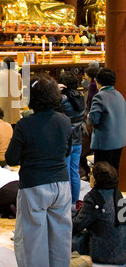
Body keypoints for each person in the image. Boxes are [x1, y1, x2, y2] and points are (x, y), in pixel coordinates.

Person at [5, 73, 72, 267]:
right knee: (60, 237)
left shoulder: (25, 124)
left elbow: (11, 157)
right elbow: (66, 151)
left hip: (34, 184)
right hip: (61, 184)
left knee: (32, 239)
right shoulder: (64, 120)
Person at [72, 161, 126, 265]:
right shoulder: (118, 194)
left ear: (97, 179)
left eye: (91, 174)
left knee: (68, 237)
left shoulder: (93, 198)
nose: (89, 176)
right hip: (122, 252)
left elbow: (78, 225)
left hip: (103, 254)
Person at [88, 68, 126, 172]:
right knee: (114, 172)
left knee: (103, 174)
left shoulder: (99, 97)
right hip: (119, 141)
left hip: (104, 143)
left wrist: (88, 117)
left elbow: (93, 120)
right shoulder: (120, 95)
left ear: (97, 81)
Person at [58, 71, 85, 207]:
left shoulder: (62, 100)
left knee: (66, 172)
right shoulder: (81, 98)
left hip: (65, 141)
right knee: (75, 171)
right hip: (77, 139)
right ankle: (75, 201)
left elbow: (54, 112)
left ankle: (66, 202)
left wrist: (56, 93)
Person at [0, 56, 22, 128]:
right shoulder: (18, 75)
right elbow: (20, 87)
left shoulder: (0, 74)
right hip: (14, 101)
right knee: (13, 122)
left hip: (3, 101)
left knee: (3, 121)